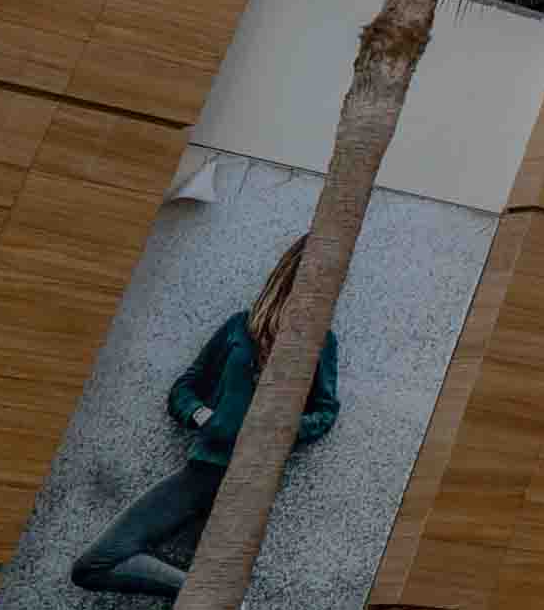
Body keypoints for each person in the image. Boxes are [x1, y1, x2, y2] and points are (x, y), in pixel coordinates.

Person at [70, 238, 345, 598]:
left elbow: (325, 410)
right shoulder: (240, 327)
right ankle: (215, 598)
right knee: (95, 564)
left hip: (251, 486)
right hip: (204, 470)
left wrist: (284, 429)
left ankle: (215, 597)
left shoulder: (321, 342)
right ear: (290, 273)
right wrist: (203, 416)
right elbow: (183, 388)